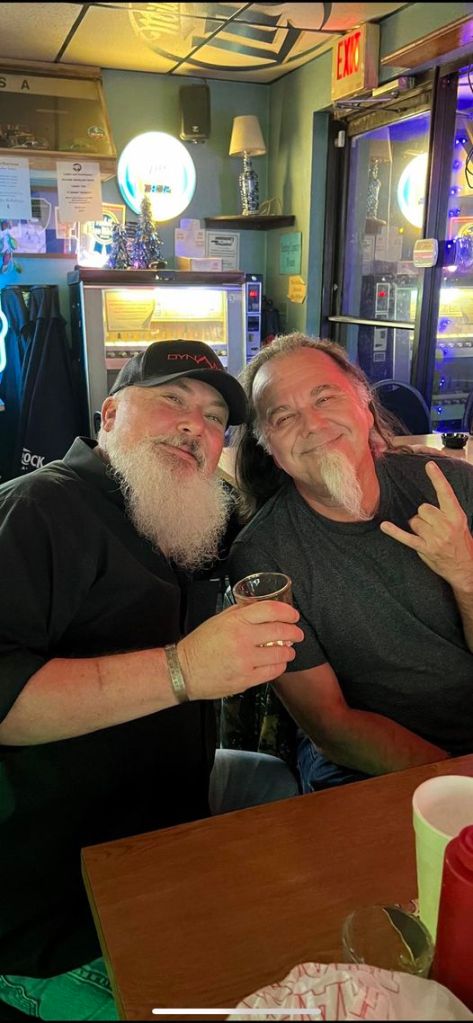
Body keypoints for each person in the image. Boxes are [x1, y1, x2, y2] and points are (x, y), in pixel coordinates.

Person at [0, 339, 303, 1018]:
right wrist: (182, 670)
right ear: (109, 414)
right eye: (171, 400)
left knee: (274, 788)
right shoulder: (39, 508)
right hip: (57, 905)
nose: (195, 425)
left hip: (161, 829)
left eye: (215, 418)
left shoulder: (179, 512)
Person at [228, 333, 473, 793]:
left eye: (326, 398)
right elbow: (331, 726)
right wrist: (451, 782)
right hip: (368, 761)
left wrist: (465, 575)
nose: (313, 424)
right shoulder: (263, 555)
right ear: (269, 448)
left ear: (366, 407)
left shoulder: (455, 488)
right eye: (284, 417)